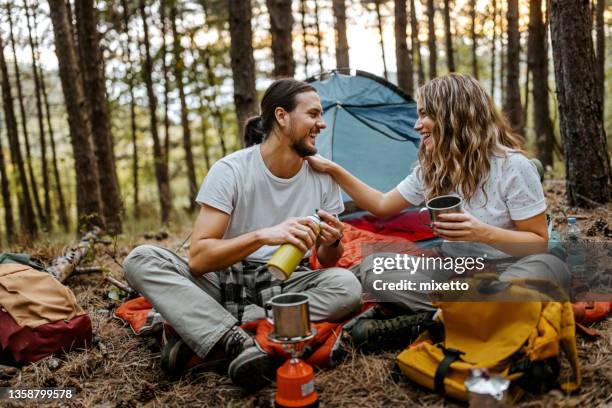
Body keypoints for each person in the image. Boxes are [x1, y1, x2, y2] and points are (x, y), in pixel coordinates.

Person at [122, 79, 361, 390]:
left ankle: (214, 334)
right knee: (141, 259)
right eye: (313, 114)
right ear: (281, 116)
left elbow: (329, 261)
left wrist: (333, 241)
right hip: (224, 280)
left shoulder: (322, 178)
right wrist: (263, 236)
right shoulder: (231, 171)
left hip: (284, 284)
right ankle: (234, 340)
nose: (321, 124)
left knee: (346, 286)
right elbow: (198, 259)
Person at [306, 74, 569, 325]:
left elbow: (537, 244)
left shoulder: (513, 167)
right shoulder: (432, 169)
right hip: (458, 273)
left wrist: (481, 232)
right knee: (376, 269)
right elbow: (382, 205)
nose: (416, 125)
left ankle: (446, 316)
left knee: (546, 268)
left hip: (511, 268)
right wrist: (333, 169)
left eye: (423, 115)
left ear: (452, 115)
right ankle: (478, 312)